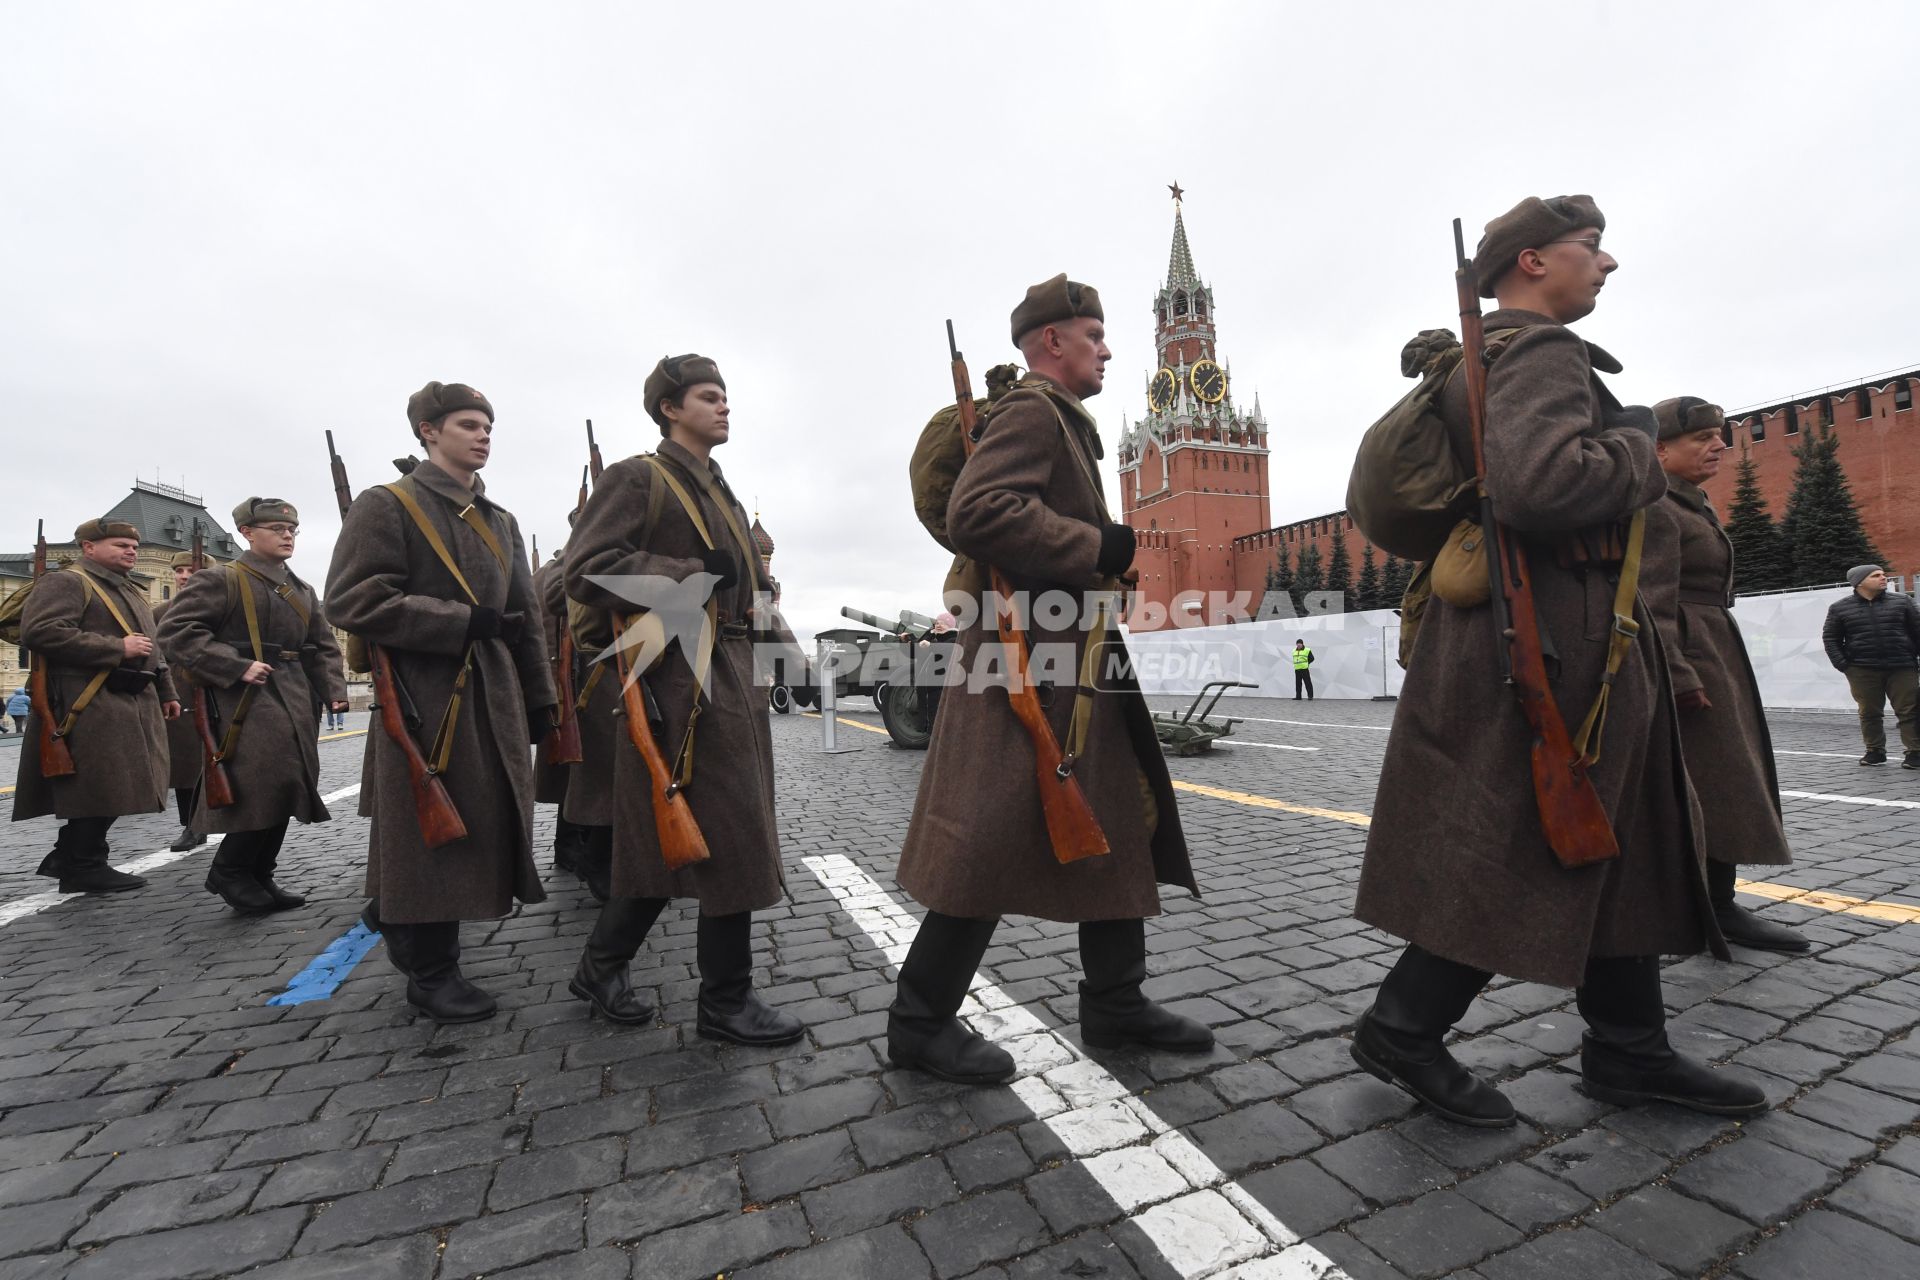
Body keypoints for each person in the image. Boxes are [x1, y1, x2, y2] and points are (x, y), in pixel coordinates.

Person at [1350, 196, 1764, 1126]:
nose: (1608, 263)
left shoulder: (1484, 357)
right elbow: (1542, 486)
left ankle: (1629, 1047)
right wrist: (1640, 449)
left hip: (1549, 627)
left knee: (1617, 836)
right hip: (1553, 635)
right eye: (1591, 248)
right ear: (1532, 262)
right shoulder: (1535, 352)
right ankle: (1404, 1025)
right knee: (1537, 837)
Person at [887, 275, 1211, 1086]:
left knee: (1112, 823)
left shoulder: (1069, 426)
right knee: (987, 836)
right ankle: (919, 1023)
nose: (1106, 349)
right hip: (1026, 662)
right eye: (1094, 335)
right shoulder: (1035, 412)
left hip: (1071, 657)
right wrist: (1096, 548)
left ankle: (1116, 1002)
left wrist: (1096, 569)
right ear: (1051, 343)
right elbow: (980, 512)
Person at [562, 353, 806, 1046]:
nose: (724, 406)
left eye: (726, 395)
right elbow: (587, 571)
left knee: (681, 837)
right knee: (728, 836)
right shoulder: (639, 477)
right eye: (708, 396)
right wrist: (695, 572)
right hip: (679, 676)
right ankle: (725, 1001)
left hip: (729, 668)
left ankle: (600, 966)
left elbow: (752, 590)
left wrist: (792, 660)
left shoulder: (720, 488)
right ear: (670, 408)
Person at [325, 382, 556, 1022]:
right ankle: (429, 970)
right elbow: (350, 600)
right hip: (424, 697)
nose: (483, 435)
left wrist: (542, 700)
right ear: (428, 431)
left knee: (479, 822)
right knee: (431, 831)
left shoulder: (498, 519)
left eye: (488, 425)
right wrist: (460, 621)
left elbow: (526, 619)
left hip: (494, 690)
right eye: (467, 424)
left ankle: (398, 915)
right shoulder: (388, 505)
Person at [1643, 398, 1807, 952]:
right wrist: (1679, 672)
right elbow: (1648, 599)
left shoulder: (1689, 501)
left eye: (1720, 435)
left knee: (1726, 776)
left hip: (1713, 644)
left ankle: (1717, 900)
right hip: (1689, 650)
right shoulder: (1656, 505)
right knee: (1714, 778)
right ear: (1660, 449)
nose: (1719, 445)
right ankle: (1709, 905)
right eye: (1702, 438)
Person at [160, 499, 349, 913]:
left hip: (297, 697)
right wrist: (235, 665)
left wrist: (333, 687)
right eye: (275, 529)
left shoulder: (301, 589)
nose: (287, 536)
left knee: (289, 785)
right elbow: (174, 632)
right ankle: (229, 871)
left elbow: (321, 646)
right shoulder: (221, 579)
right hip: (242, 699)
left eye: (292, 530)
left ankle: (259, 872)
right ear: (247, 533)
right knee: (262, 784)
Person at [11, 518, 181, 893]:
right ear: (88, 547)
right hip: (88, 699)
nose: (130, 551)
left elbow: (155, 648)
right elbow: (40, 631)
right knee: (101, 783)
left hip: (133, 696)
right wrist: (115, 648)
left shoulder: (132, 590)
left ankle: (72, 857)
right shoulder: (68, 581)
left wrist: (167, 691)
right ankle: (83, 864)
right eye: (120, 545)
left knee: (124, 783)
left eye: (132, 546)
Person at [531, 541, 592, 879]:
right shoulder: (557, 573)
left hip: (567, 684)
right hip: (571, 684)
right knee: (574, 772)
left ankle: (575, 845)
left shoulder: (546, 573)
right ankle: (572, 846)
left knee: (576, 773)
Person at [1821, 564, 1920, 768]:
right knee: (1869, 712)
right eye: (1876, 575)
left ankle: (1915, 752)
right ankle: (1874, 751)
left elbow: (1917, 631)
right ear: (1859, 582)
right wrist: (1844, 665)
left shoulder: (1903, 602)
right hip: (1862, 669)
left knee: (1909, 710)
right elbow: (1831, 639)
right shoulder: (1840, 608)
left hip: (1902, 666)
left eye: (1884, 574)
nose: (1884, 578)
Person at [155, 551, 208, 852]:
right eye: (179, 571)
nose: (184, 576)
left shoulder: (222, 607)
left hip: (218, 687)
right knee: (186, 764)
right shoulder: (160, 612)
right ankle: (191, 825)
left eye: (191, 570)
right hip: (180, 691)